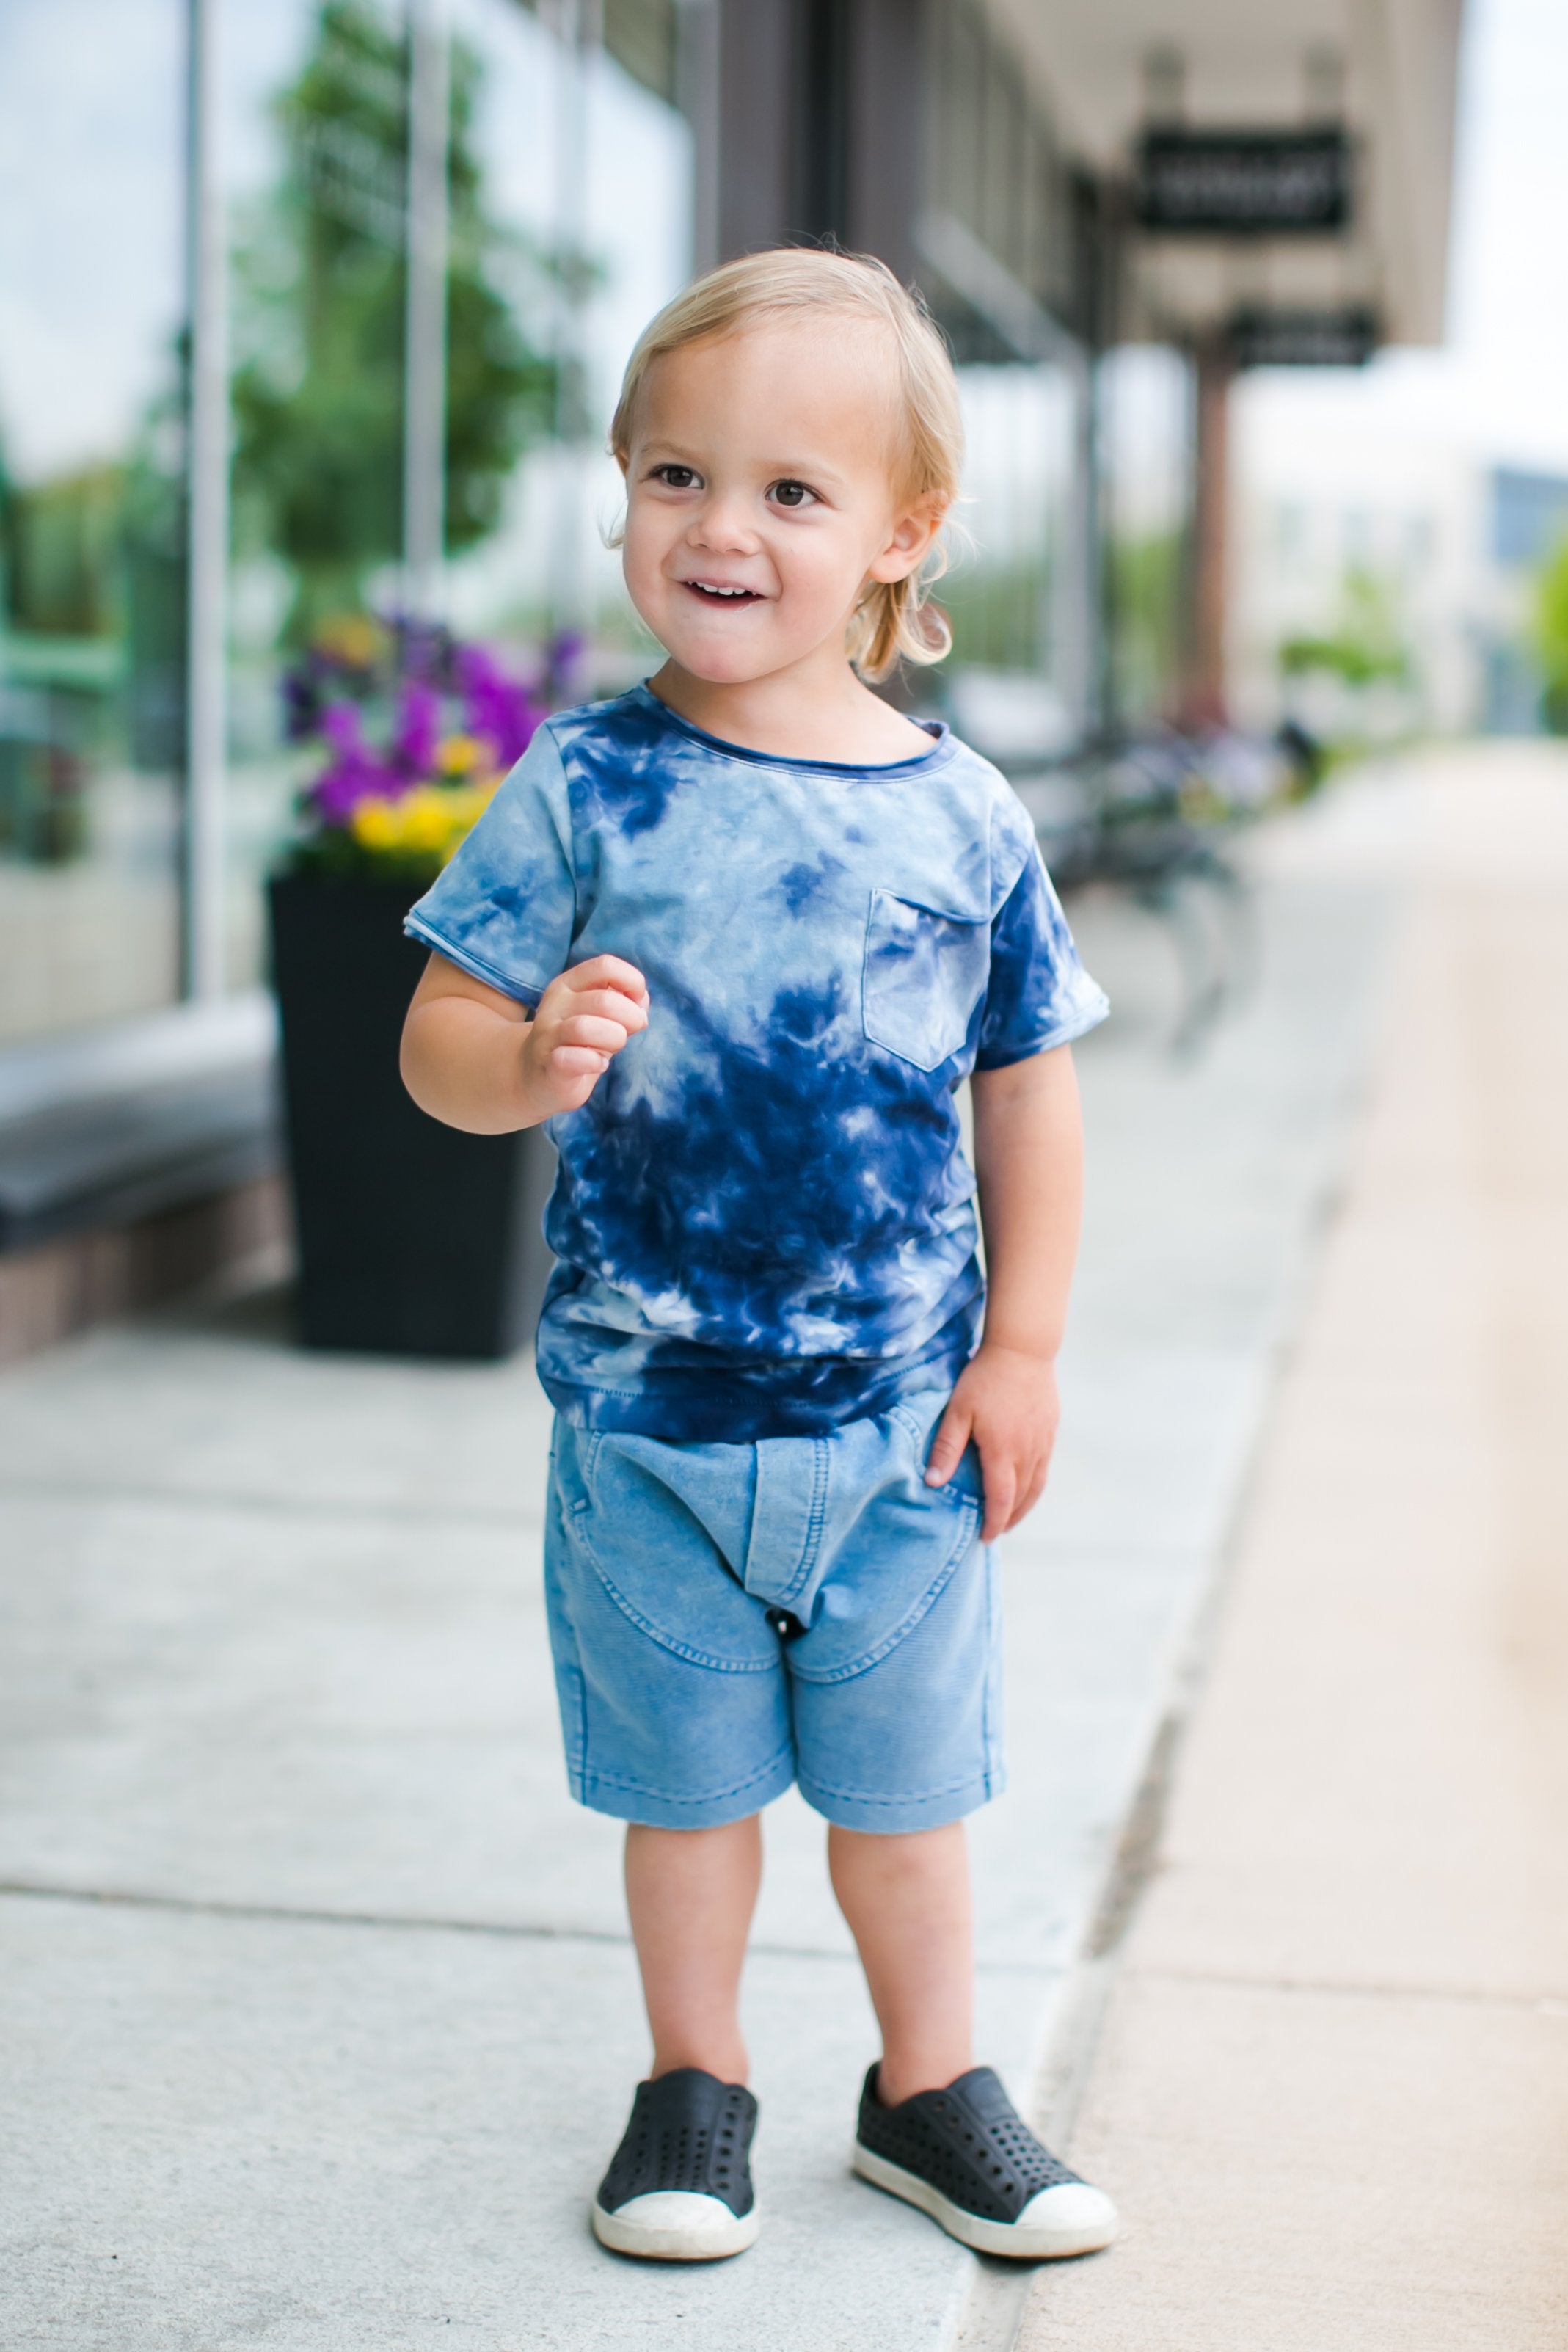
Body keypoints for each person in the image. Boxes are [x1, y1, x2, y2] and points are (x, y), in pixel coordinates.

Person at [398, 249, 1117, 2266]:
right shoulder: (586, 786)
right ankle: (692, 2085)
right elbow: (437, 1044)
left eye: (792, 493)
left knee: (906, 1806)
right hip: (644, 1427)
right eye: (677, 476)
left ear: (900, 532)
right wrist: (525, 1060)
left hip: (897, 1431)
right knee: (685, 1799)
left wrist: (1027, 1350)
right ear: (624, 488)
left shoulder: (961, 817)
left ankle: (927, 2090)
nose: (722, 528)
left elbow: (1029, 1091)